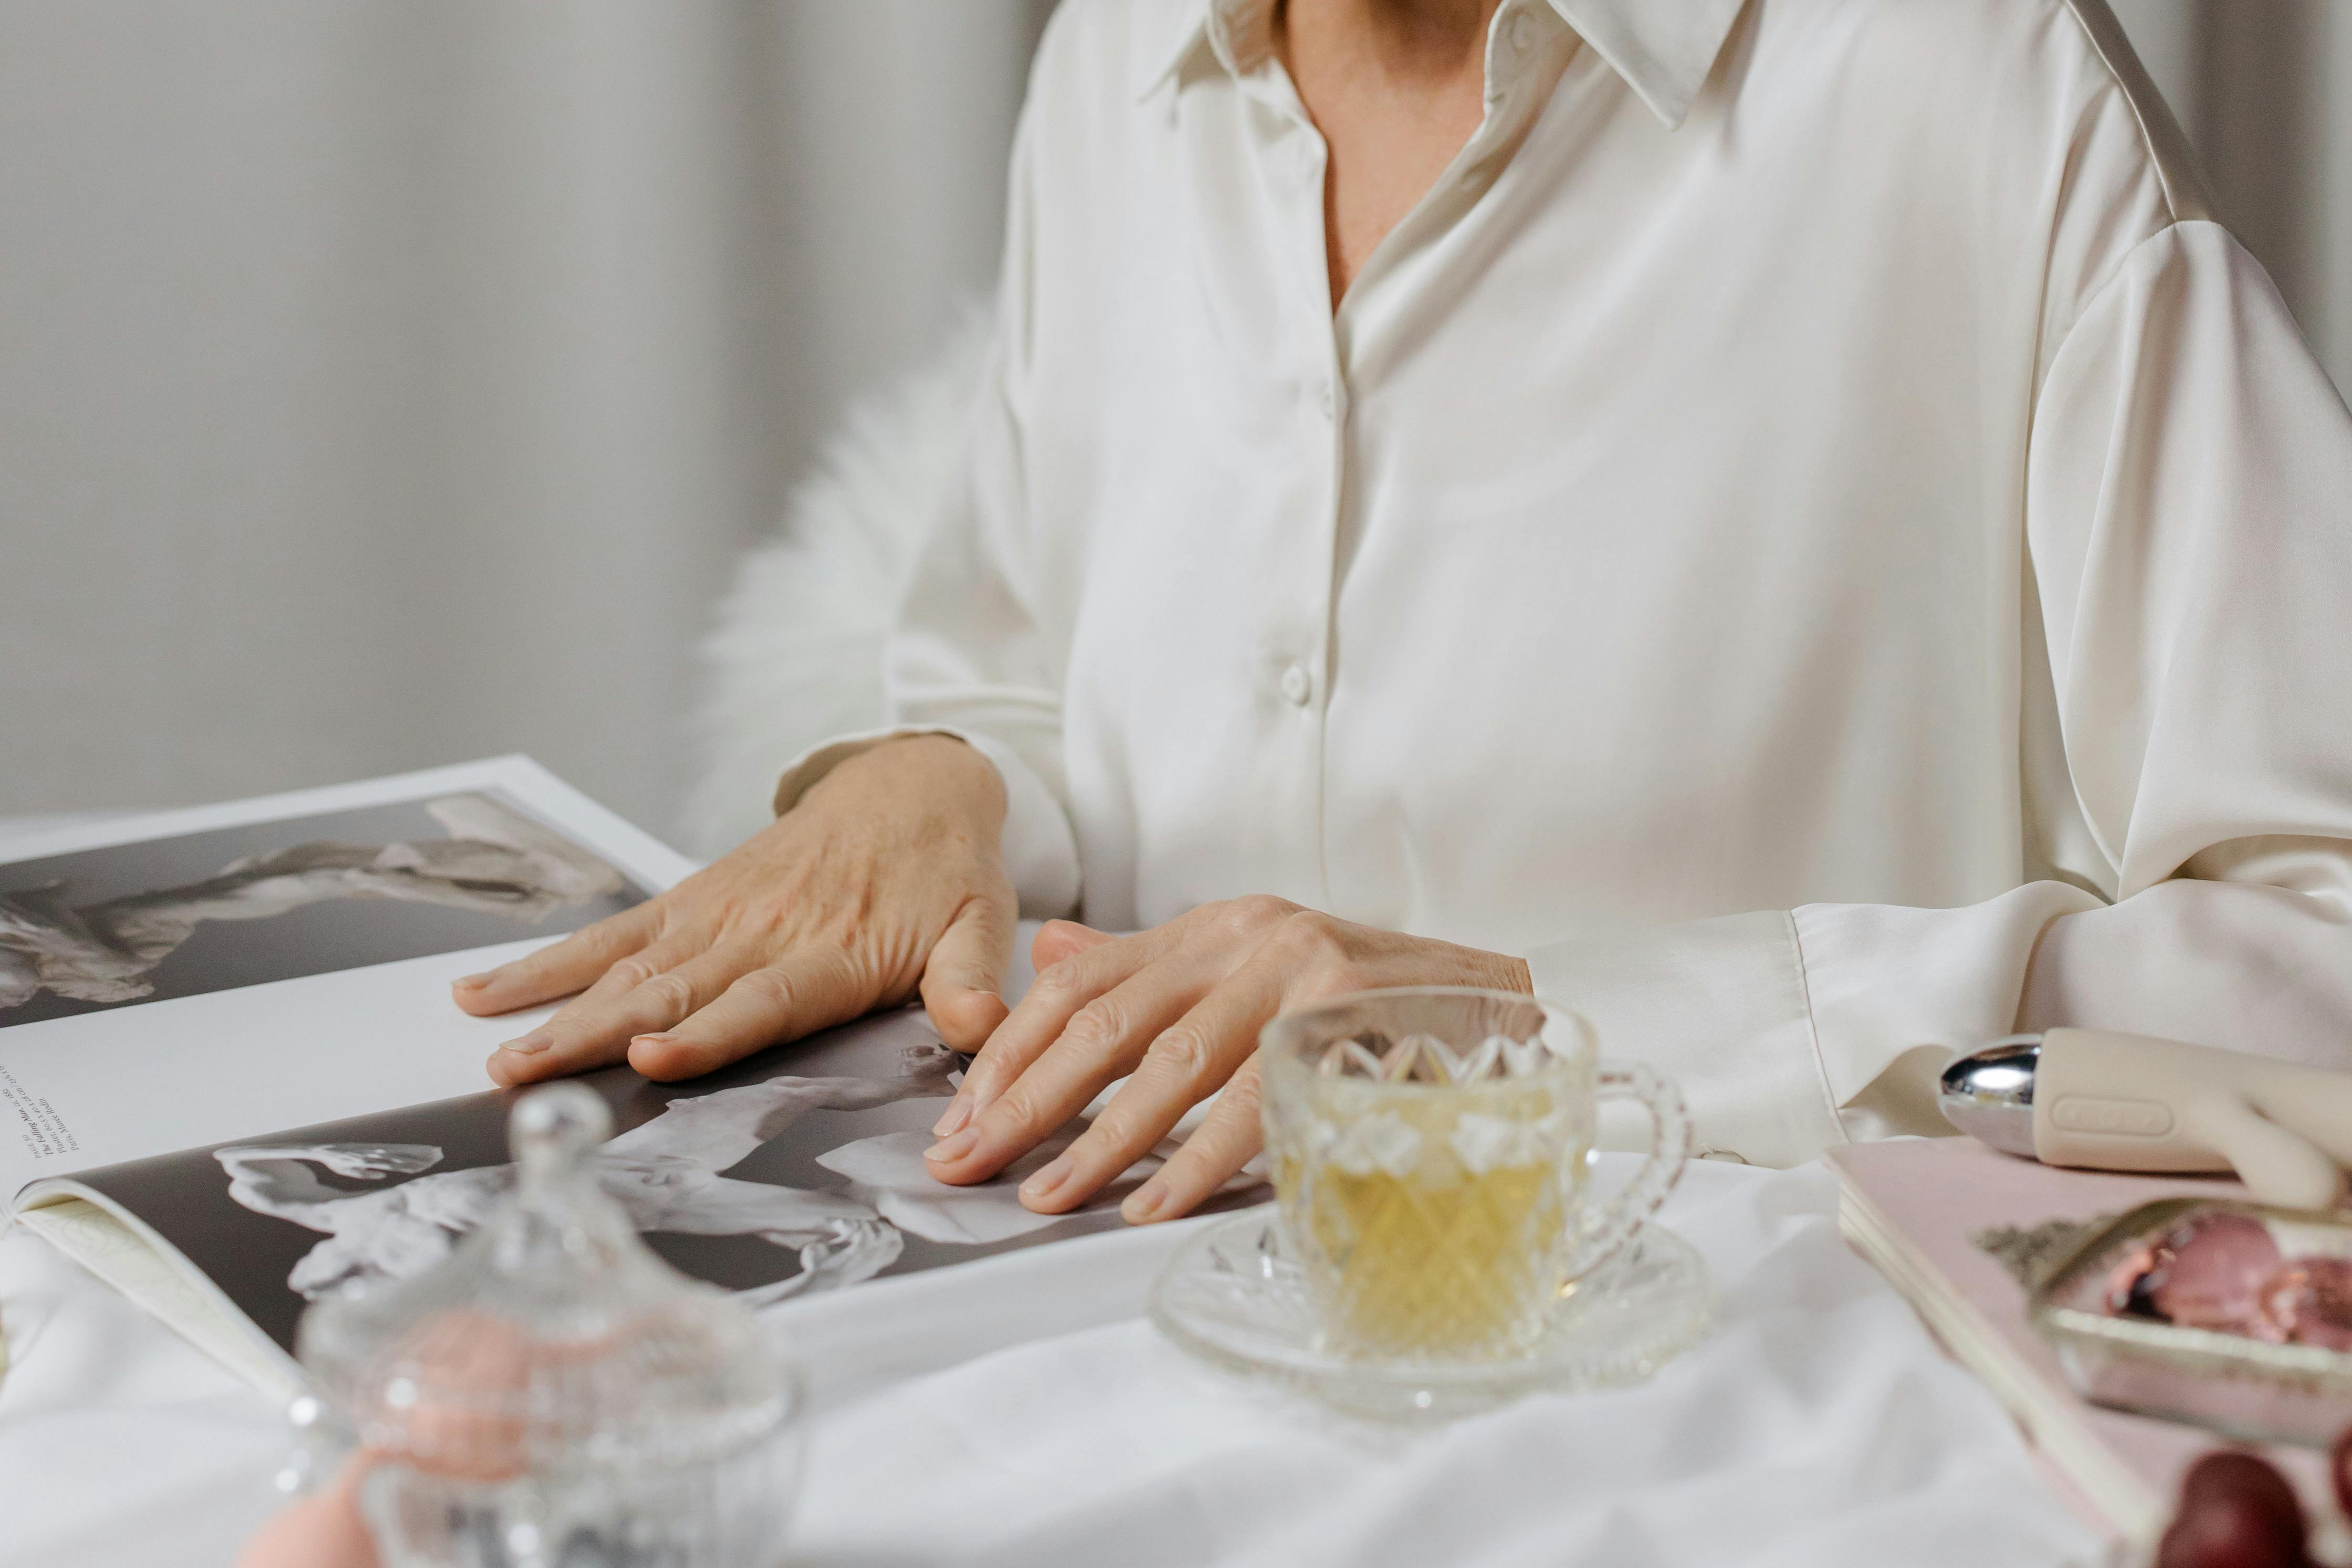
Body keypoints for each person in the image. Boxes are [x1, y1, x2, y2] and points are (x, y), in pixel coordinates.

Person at [456, 0, 2352, 1229]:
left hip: (1722, 1405)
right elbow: (1041, 676)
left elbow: (2315, 952)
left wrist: (1539, 1028)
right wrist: (937, 777)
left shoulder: (1975, 86)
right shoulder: (1113, 62)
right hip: (1107, 1318)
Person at [217, 1041, 962, 1302]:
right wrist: (807, 1285)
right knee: (859, 1226)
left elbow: (243, 1164)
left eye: (336, 1276)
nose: (348, 1277)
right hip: (678, 1196)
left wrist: (326, 1154)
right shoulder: (469, 1296)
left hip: (641, 1164)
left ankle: (923, 1085)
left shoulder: (342, 1217)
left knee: (783, 1091)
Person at [0, 795, 623, 1012]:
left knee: (324, 861)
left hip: (210, 894)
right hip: (221, 902)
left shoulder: (39, 942)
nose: (13, 995)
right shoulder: (72, 963)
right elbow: (121, 974)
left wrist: (38, 921)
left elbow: (57, 906)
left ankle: (518, 876)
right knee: (338, 874)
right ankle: (533, 885)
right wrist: (46, 930)